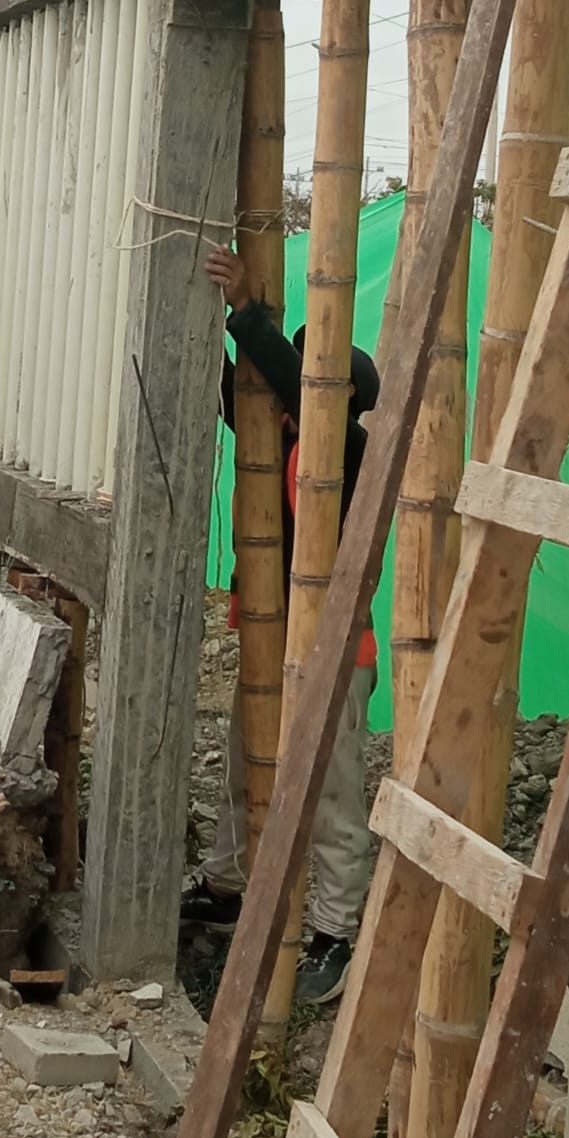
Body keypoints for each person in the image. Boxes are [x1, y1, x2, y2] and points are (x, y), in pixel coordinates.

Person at [179, 244, 380, 1006]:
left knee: (331, 794)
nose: (286, 399)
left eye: (307, 384)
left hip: (334, 650)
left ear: (340, 397)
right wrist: (208, 319)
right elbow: (236, 394)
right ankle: (226, 886)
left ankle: (335, 932)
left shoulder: (353, 451)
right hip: (273, 636)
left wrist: (246, 311)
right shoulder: (282, 440)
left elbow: (292, 386)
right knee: (246, 762)